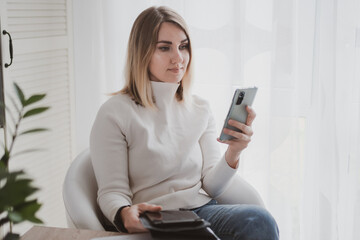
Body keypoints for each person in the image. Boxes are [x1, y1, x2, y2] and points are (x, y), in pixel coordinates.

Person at [90, 6, 279, 240]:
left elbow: (212, 187)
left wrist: (234, 152)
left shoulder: (199, 108)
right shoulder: (115, 112)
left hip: (202, 211)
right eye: (164, 47)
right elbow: (111, 192)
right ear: (142, 52)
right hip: (156, 219)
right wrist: (124, 213)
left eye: (183, 46)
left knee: (259, 221)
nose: (179, 58)